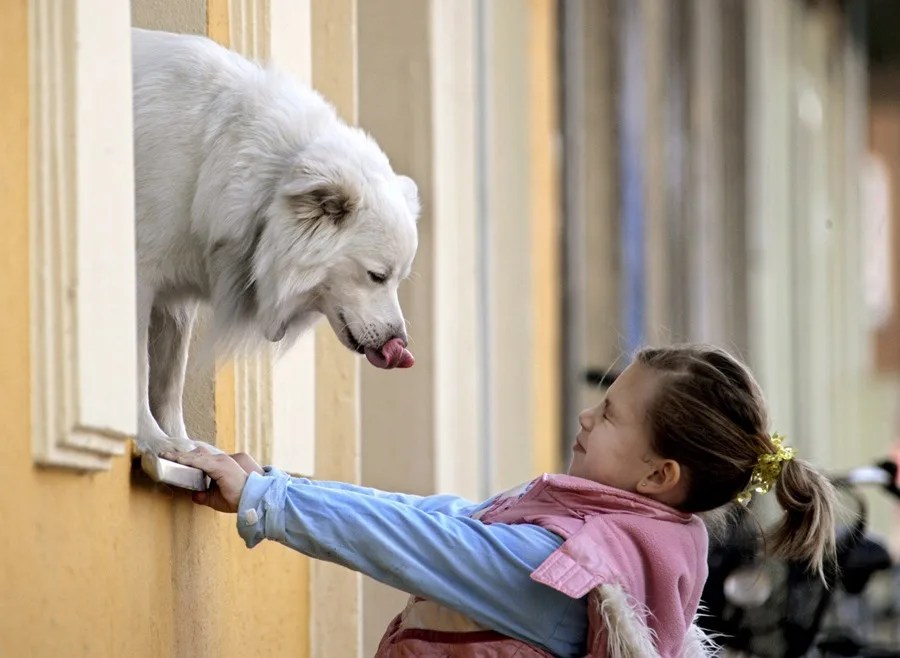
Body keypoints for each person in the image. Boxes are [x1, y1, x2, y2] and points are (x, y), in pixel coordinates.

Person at [162, 344, 837, 658]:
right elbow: (443, 520)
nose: (585, 418)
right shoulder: (626, 548)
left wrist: (266, 499)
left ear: (659, 476)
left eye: (609, 415)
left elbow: (418, 544)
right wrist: (272, 485)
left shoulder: (569, 574)